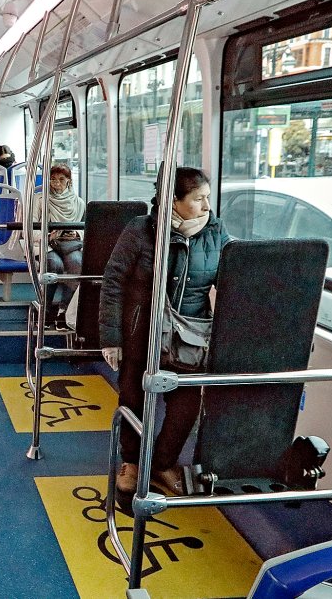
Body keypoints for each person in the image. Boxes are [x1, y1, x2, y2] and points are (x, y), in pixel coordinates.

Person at [98, 167, 230, 497]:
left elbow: (233, 281)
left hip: (189, 334)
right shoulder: (141, 230)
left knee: (185, 407)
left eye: (207, 199)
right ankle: (132, 462)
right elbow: (113, 282)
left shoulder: (216, 233)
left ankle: (160, 462)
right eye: (198, 199)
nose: (206, 207)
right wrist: (111, 338)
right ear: (173, 201)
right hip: (142, 329)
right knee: (134, 397)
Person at [32, 164, 85, 325]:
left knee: (77, 264)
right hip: (46, 243)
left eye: (61, 180)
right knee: (54, 265)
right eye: (53, 179)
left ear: (69, 181)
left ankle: (65, 310)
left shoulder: (78, 203)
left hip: (70, 244)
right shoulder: (40, 200)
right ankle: (45, 310)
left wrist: (76, 233)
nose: (56, 183)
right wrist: (48, 236)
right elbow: (30, 230)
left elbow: (84, 228)